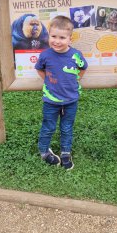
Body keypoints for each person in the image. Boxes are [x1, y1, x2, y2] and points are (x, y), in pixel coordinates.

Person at [35, 16, 88, 170]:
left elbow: (83, 67)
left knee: (67, 127)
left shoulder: (75, 55)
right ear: (48, 36)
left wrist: (77, 79)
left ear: (70, 39)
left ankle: (66, 152)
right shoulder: (45, 55)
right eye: (53, 36)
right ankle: (44, 151)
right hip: (51, 100)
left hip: (71, 100)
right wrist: (48, 80)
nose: (57, 41)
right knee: (48, 127)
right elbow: (39, 68)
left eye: (62, 38)